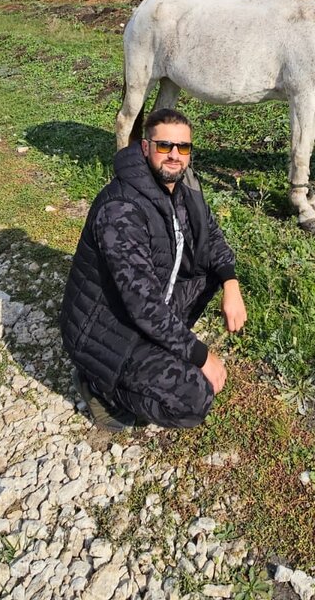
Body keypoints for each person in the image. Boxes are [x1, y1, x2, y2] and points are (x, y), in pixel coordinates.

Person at [60, 108, 247, 430]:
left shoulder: (182, 185)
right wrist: (202, 356)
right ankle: (98, 385)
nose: (175, 155)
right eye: (164, 146)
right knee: (192, 398)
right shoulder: (122, 209)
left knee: (211, 273)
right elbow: (142, 305)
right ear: (145, 147)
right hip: (107, 330)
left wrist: (231, 283)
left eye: (183, 147)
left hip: (146, 313)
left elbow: (212, 236)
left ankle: (162, 346)